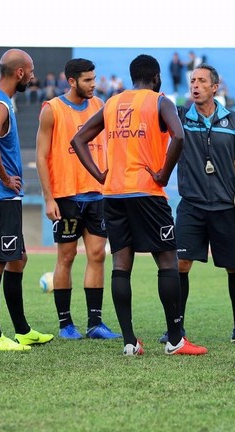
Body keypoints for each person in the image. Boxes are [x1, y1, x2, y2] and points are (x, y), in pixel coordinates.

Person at [71, 54, 207, 357]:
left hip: (114, 194)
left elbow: (79, 139)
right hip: (147, 192)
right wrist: (163, 174)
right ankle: (175, 340)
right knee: (168, 262)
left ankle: (130, 342)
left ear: (133, 77)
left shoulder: (112, 103)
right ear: (156, 77)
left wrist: (100, 175)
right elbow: (180, 136)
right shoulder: (160, 101)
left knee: (121, 265)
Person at [160, 63, 235, 345]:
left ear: (215, 87)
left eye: (201, 81)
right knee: (181, 265)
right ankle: (176, 329)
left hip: (226, 207)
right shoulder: (180, 118)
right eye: (192, 81)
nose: (195, 85)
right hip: (192, 206)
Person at [0, 49, 54, 352]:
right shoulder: (0, 104)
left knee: (18, 259)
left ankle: (22, 330)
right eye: (30, 71)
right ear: (19, 73)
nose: (32, 77)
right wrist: (5, 178)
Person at [35, 58, 121, 340]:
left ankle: (95, 323)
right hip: (67, 195)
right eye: (87, 80)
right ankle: (65, 324)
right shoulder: (53, 109)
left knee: (97, 255)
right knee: (67, 257)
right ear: (71, 81)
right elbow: (41, 156)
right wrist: (49, 199)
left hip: (97, 194)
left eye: (94, 78)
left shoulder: (101, 107)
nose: (93, 84)